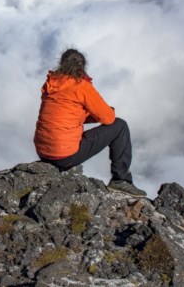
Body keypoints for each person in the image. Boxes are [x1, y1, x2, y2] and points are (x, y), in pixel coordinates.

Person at [33, 48, 146, 197]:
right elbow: (109, 118)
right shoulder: (81, 86)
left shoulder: (51, 84)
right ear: (83, 66)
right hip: (64, 156)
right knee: (120, 126)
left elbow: (64, 115)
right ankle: (121, 180)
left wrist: (89, 115)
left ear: (61, 63)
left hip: (43, 152)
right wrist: (107, 111)